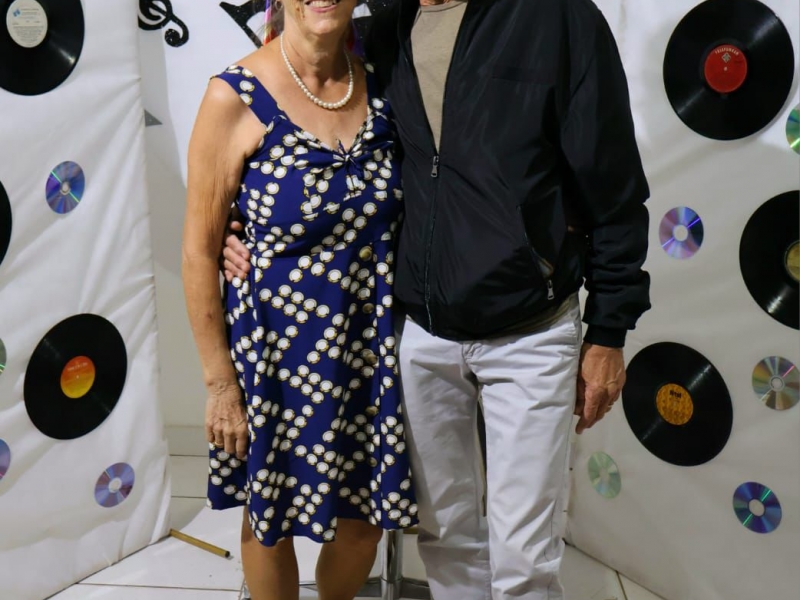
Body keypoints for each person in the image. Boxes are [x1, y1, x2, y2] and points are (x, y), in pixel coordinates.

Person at [223, 0, 651, 599]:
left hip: (530, 328)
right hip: (419, 335)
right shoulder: (382, 31)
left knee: (525, 557)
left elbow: (614, 185)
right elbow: (305, 126)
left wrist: (609, 331)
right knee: (446, 539)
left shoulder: (556, 18)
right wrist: (238, 221)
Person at [181, 1, 418, 599]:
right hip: (273, 356)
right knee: (271, 521)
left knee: (363, 526)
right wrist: (220, 385)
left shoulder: (384, 81)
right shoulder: (233, 96)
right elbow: (199, 252)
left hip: (368, 351)